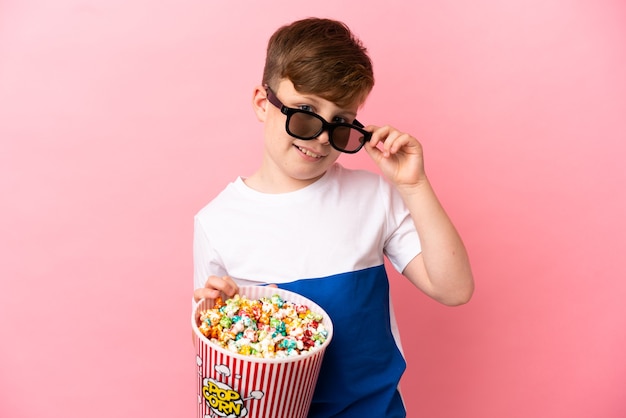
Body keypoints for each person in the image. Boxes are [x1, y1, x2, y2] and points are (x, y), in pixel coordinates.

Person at [193, 17, 474, 417]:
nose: (323, 137)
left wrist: (413, 185)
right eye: (306, 111)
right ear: (262, 102)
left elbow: (454, 289)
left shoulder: (374, 196)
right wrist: (223, 318)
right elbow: (212, 356)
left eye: (341, 122)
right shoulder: (217, 222)